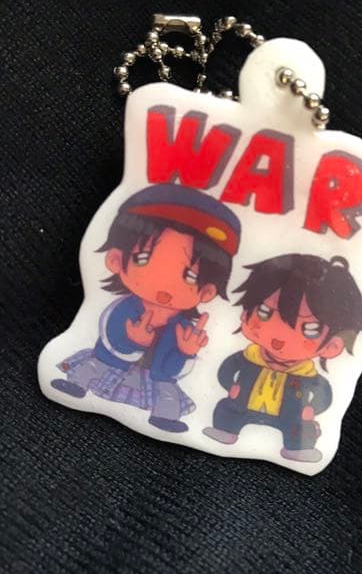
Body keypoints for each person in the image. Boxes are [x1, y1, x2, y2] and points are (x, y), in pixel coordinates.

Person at [51, 183, 241, 433]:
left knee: (168, 393)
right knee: (93, 366)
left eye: (190, 276)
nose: (164, 285)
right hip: (111, 362)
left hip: (154, 377)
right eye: (144, 259)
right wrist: (131, 341)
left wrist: (185, 352)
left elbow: (169, 371)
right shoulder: (125, 308)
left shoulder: (182, 328)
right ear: (116, 260)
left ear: (207, 291)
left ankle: (164, 419)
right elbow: (108, 337)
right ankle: (76, 384)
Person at [203, 254, 362, 461]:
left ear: (333, 346)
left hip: (289, 416)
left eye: (310, 329)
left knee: (300, 429)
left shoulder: (307, 375)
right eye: (264, 312)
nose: (279, 335)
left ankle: (298, 449)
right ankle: (225, 430)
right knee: (226, 410)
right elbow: (226, 370)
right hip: (242, 406)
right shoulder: (249, 358)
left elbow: (323, 393)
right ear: (245, 315)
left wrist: (312, 408)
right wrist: (230, 385)